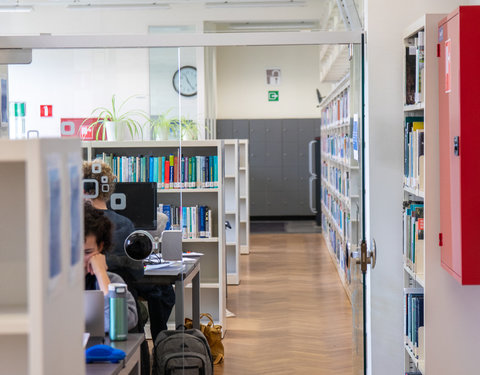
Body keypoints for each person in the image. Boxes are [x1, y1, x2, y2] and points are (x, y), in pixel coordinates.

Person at [83, 160, 175, 341]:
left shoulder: (72, 222)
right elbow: (137, 273)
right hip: (120, 300)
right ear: (108, 188)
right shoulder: (125, 225)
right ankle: (160, 342)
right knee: (164, 292)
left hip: (89, 306)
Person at [84, 202, 138, 332]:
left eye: (87, 252)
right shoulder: (53, 284)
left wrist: (101, 274)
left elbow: (121, 323)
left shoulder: (112, 281)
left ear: (100, 247)